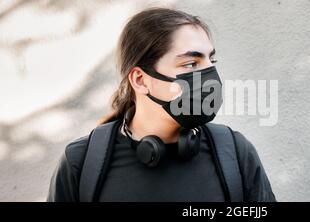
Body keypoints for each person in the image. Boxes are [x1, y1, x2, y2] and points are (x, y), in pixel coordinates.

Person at [47, 7, 276, 202]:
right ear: (140, 80)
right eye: (190, 64)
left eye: (211, 60)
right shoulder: (82, 162)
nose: (209, 75)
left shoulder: (235, 153)